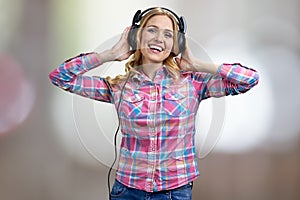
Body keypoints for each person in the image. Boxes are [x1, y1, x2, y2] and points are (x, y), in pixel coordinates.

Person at [49, 7, 259, 200]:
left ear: (177, 44)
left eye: (168, 34)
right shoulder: (119, 88)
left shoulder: (193, 84)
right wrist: (110, 54)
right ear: (136, 36)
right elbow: (61, 77)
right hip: (127, 191)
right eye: (151, 30)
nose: (159, 38)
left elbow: (249, 79)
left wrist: (197, 64)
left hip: (174, 192)